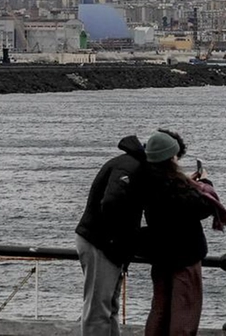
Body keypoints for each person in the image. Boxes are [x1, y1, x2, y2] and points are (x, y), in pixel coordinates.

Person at [139, 128, 226, 336]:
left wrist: (189, 182)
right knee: (185, 310)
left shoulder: (148, 181)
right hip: (184, 254)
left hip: (160, 253)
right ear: (169, 157)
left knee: (160, 308)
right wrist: (205, 184)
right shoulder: (173, 185)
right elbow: (200, 207)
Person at [75, 134, 148, 336]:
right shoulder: (131, 168)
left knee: (108, 305)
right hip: (102, 243)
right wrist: (118, 238)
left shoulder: (131, 165)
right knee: (99, 307)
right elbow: (111, 202)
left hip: (105, 242)